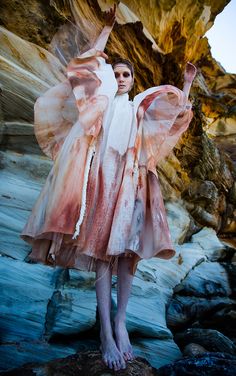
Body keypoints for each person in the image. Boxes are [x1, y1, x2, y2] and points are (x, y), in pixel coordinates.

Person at [21, 4, 197, 371]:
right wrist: (104, 31)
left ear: (133, 81)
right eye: (115, 73)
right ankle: (105, 330)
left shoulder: (138, 108)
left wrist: (186, 85)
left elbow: (172, 118)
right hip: (102, 184)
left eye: (125, 75)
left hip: (131, 187)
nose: (119, 78)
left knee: (127, 258)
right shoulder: (99, 104)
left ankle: (121, 324)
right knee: (103, 255)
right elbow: (86, 68)